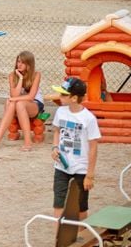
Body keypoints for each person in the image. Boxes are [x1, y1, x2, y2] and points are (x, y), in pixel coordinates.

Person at [51, 77, 101, 221]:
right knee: (58, 203)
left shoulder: (89, 119)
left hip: (81, 169)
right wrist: (55, 147)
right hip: (61, 166)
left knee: (80, 206)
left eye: (63, 94)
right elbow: (57, 131)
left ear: (74, 98)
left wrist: (89, 175)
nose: (59, 96)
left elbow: (93, 147)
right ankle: (58, 234)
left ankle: (81, 233)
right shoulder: (60, 111)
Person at [0, 51, 43, 151]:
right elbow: (14, 95)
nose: (19, 64)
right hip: (18, 103)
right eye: (18, 62)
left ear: (29, 64)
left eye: (23, 62)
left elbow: (31, 97)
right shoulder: (12, 75)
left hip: (34, 104)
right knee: (11, 103)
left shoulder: (36, 75)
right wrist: (20, 78)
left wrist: (14, 99)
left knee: (18, 103)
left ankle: (28, 143)